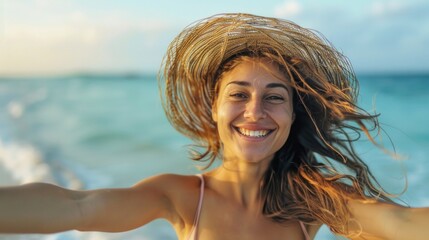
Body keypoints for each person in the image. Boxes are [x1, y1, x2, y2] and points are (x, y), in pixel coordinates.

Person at [0, 13, 428, 240]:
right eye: (238, 94)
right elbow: (79, 207)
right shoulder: (182, 197)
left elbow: (403, 225)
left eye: (275, 97)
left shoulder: (313, 202)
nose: (255, 111)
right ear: (214, 109)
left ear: (294, 115)